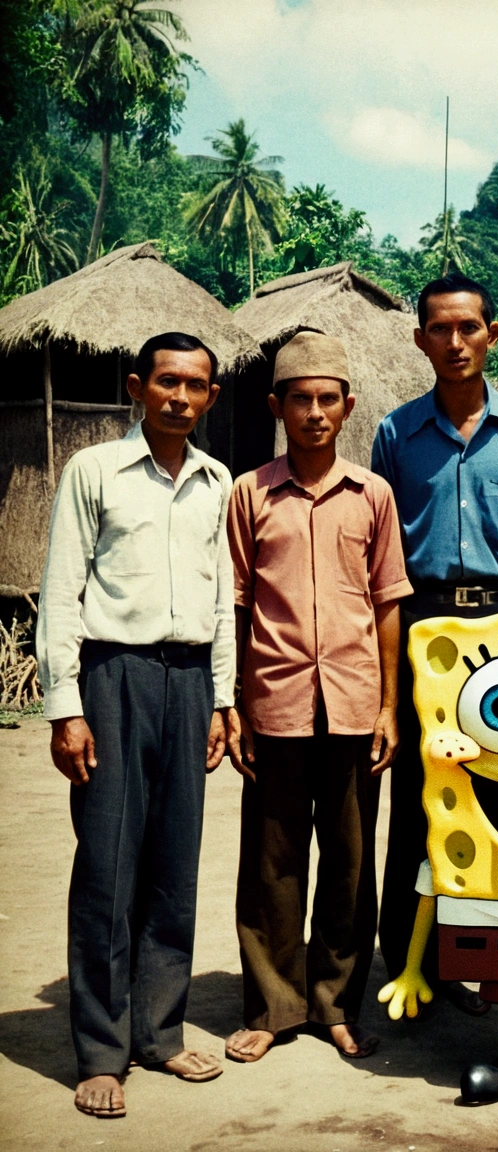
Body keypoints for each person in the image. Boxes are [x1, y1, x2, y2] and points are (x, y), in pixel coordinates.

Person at [36, 333, 237, 1119]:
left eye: (194, 385)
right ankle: (100, 1050)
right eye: (166, 383)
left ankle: (160, 1028)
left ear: (212, 396)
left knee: (173, 864)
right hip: (111, 675)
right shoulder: (95, 472)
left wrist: (221, 700)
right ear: (136, 387)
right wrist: (66, 708)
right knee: (109, 865)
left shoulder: (216, 481)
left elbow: (221, 602)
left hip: (187, 681)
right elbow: (61, 590)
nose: (179, 397)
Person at [224, 331, 412, 1065]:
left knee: (350, 861)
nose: (313, 412)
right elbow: (235, 606)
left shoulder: (373, 496)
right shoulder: (249, 493)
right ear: (277, 407)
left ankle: (335, 1003)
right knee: (270, 863)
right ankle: (275, 1005)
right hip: (273, 702)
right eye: (298, 399)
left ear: (347, 406)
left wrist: (391, 705)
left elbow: (388, 601)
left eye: (327, 399)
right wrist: (233, 702)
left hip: (355, 704)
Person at [371, 273, 498, 1007]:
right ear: (419, 340)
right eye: (439, 330)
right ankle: (411, 960)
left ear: (492, 335)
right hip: (423, 626)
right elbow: (377, 552)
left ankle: (491, 956)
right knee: (419, 794)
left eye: (468, 328)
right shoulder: (395, 432)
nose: (454, 342)